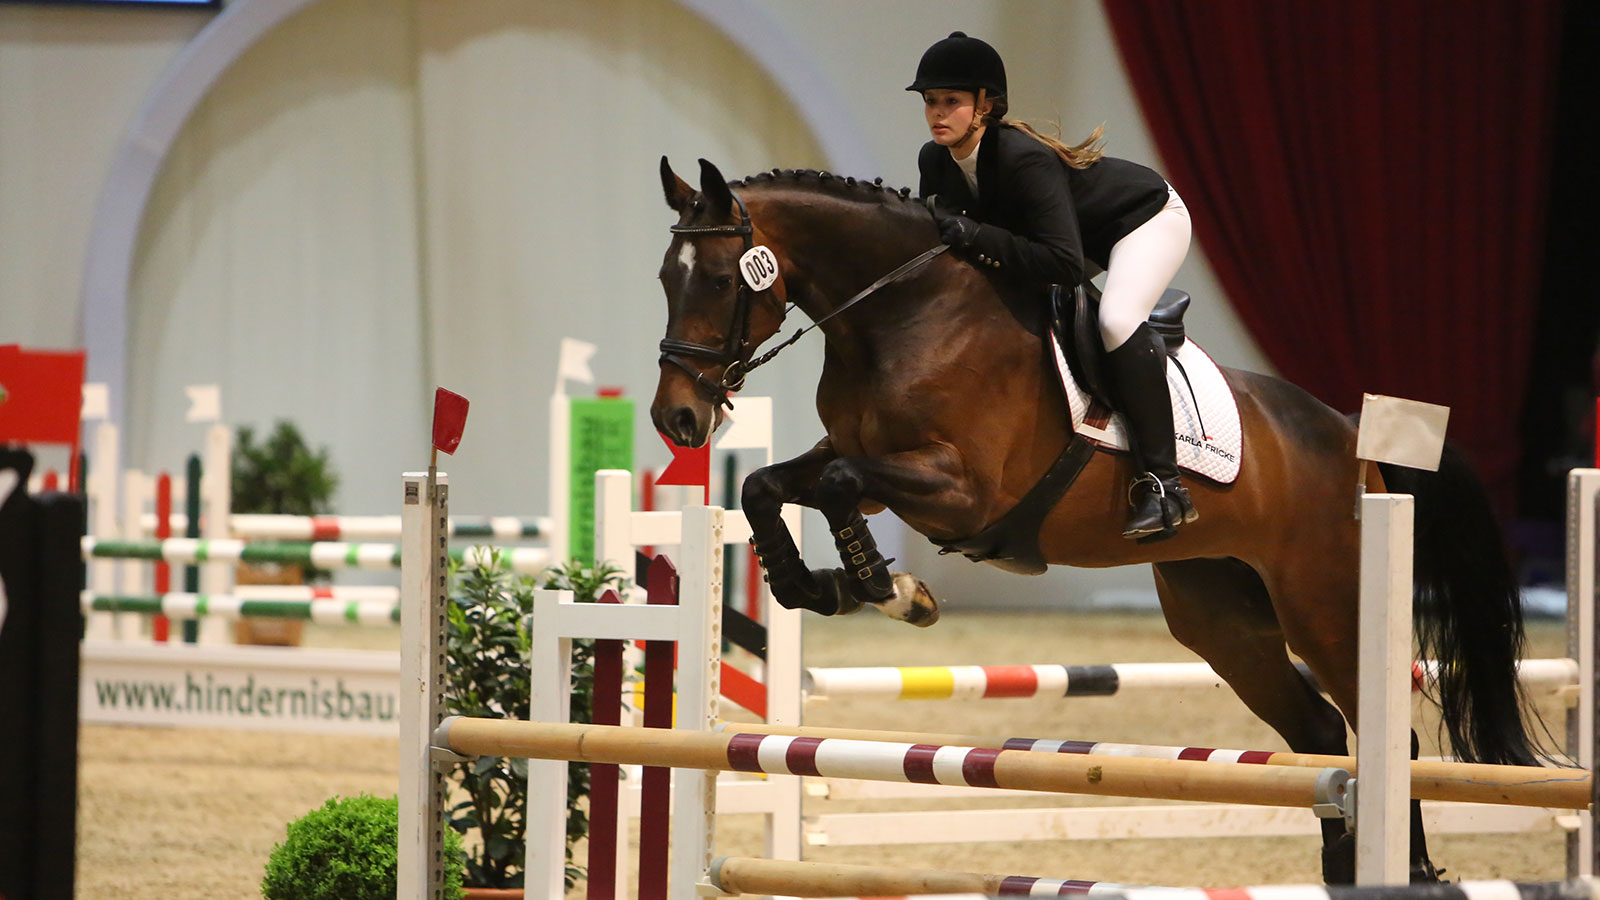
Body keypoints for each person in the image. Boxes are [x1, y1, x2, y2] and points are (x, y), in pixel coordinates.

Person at [908, 31, 1198, 540]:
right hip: (1071, 237)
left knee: (1116, 320)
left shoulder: (1023, 158)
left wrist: (976, 233)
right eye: (931, 101)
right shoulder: (934, 161)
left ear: (984, 107)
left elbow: (1063, 264)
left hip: (1143, 219)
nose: (937, 113)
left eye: (951, 102)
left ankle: (1165, 487)